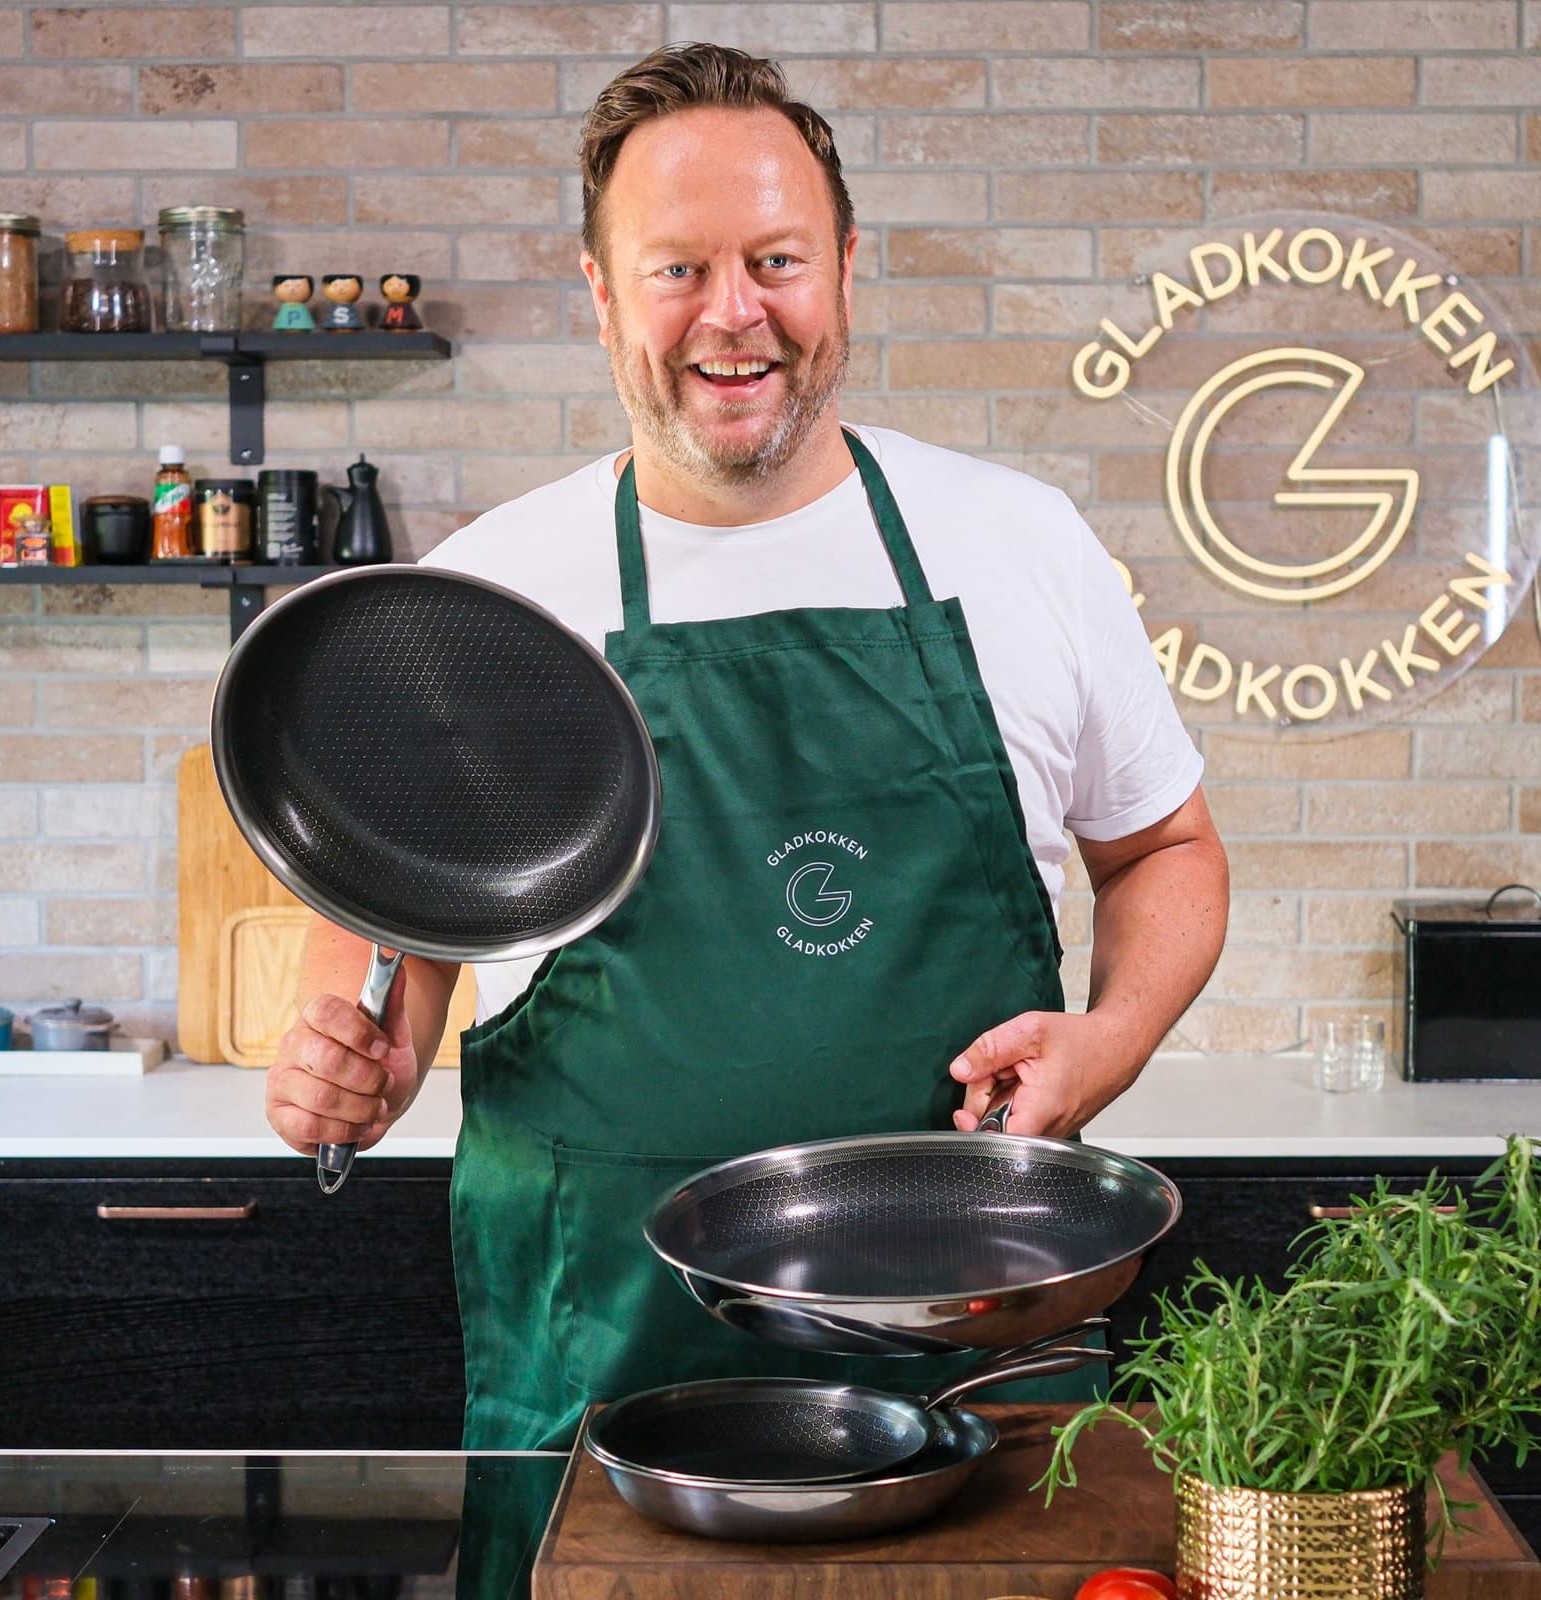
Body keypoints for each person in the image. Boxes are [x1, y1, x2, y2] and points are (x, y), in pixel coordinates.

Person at [266, 42, 1230, 1451]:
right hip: (603, 1366)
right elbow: (391, 929)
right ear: (602, 294)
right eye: (678, 269)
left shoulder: (1020, 541)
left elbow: (1168, 849)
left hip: (976, 1347)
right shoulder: (490, 598)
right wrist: (361, 1062)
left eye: (777, 260)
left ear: (845, 267)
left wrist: (1113, 1039)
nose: (735, 314)